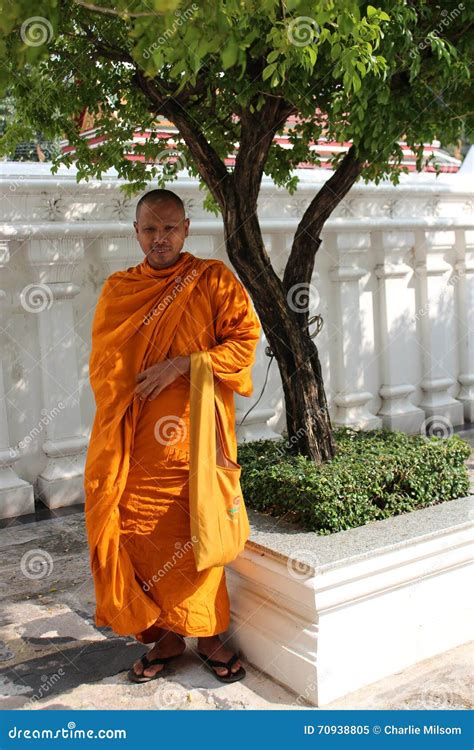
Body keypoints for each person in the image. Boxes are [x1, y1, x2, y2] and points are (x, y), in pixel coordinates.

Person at [83, 188, 261, 684]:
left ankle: (208, 637)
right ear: (135, 233)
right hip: (137, 444)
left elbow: (244, 343)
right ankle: (162, 637)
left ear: (186, 228)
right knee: (137, 531)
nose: (159, 238)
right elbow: (104, 369)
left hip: (197, 442)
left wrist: (184, 365)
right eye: (149, 229)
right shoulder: (119, 290)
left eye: (169, 228)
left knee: (197, 533)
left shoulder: (212, 280)